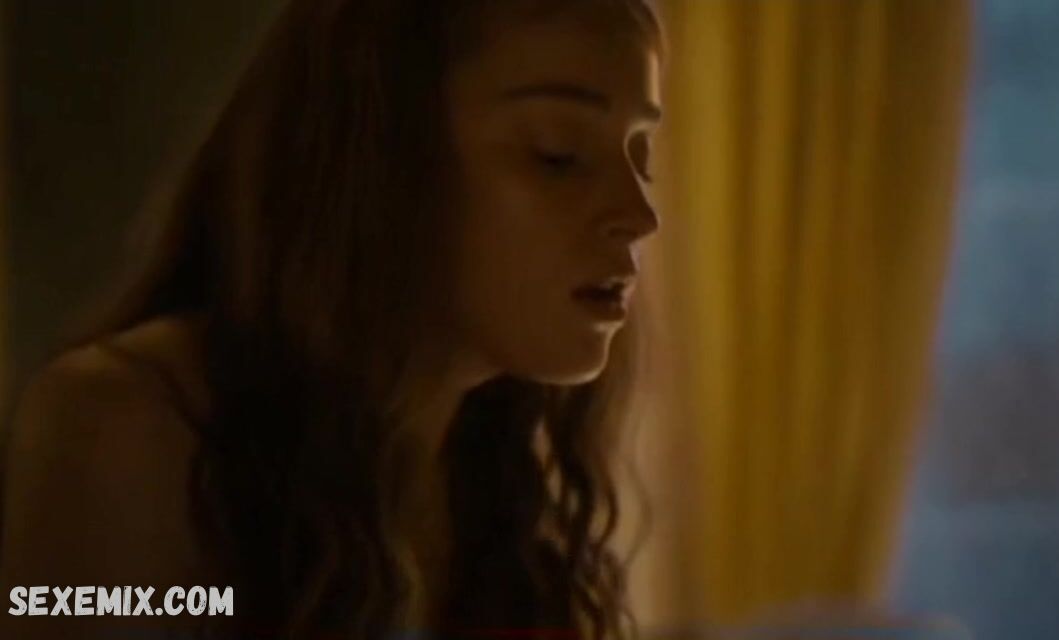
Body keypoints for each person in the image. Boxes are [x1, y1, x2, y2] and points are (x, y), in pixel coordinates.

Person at [0, 0, 664, 638]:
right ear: (379, 155)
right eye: (557, 154)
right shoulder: (133, 428)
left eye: (641, 156)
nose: (639, 216)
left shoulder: (492, 487)